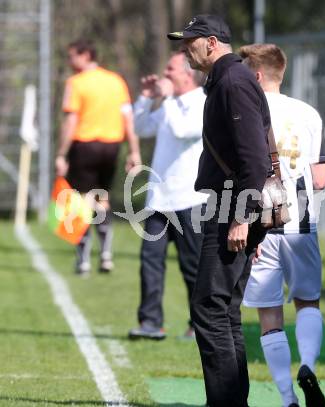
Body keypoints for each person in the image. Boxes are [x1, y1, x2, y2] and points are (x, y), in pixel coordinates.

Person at [169, 15, 271, 407]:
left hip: (233, 208)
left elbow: (255, 158)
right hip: (232, 206)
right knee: (224, 310)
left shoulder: (233, 81)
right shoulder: (229, 80)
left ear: (211, 42)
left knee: (208, 308)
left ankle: (225, 402)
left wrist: (244, 219)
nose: (184, 49)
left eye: (189, 42)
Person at [239, 44, 325, 407]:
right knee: (308, 302)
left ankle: (288, 398)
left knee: (269, 315)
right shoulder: (308, 113)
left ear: (257, 76)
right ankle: (307, 364)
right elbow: (320, 179)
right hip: (301, 222)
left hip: (260, 223)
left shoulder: (245, 112)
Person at [128, 52, 207, 340]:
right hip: (159, 200)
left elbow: (182, 129)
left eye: (170, 68)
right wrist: (147, 98)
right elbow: (140, 127)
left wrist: (167, 98)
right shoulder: (169, 104)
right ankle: (150, 322)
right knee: (150, 261)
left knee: (193, 267)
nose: (164, 72)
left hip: (191, 199)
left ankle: (199, 324)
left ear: (187, 75)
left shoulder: (202, 103)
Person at [55, 39, 141, 276]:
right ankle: (105, 254)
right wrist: (133, 150)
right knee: (102, 198)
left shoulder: (76, 83)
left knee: (82, 202)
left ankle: (82, 260)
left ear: (85, 55)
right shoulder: (116, 81)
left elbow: (71, 120)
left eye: (72, 56)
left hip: (84, 146)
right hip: (111, 147)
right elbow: (128, 118)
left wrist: (62, 153)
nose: (70, 61)